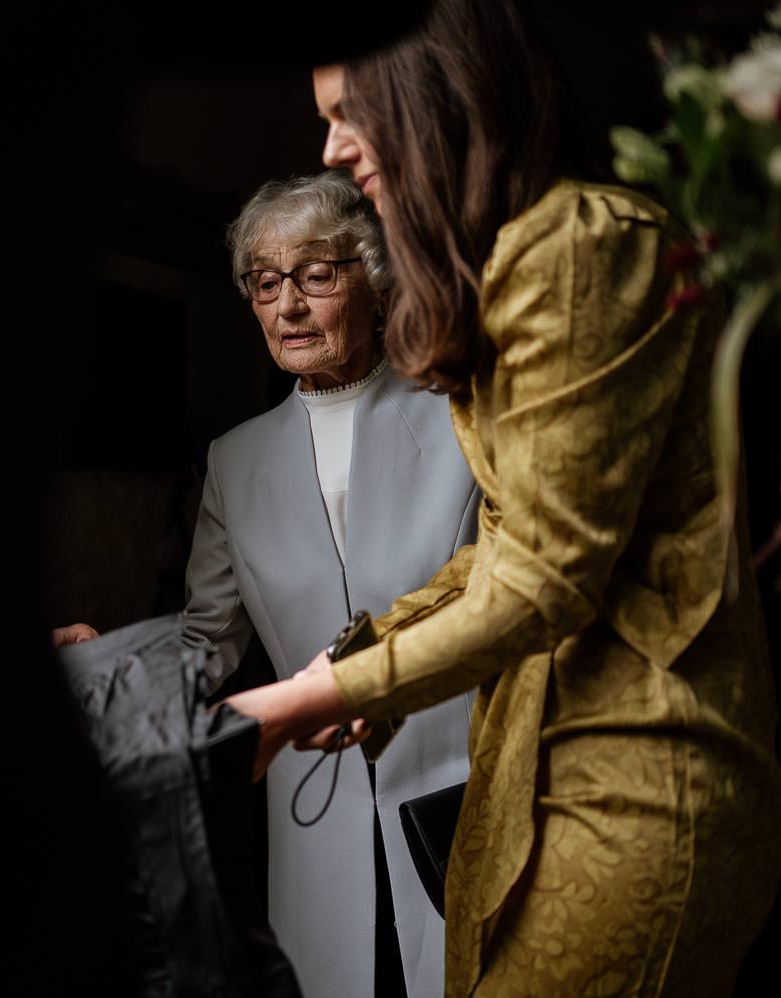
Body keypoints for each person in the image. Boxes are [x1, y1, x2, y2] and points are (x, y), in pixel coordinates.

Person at [227, 3, 781, 995]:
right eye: (265, 284)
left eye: (349, 111)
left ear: (430, 96)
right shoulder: (530, 257)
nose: (330, 146)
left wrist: (331, 688)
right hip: (548, 767)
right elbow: (510, 548)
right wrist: (354, 662)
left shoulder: (568, 244)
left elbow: (538, 575)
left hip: (630, 777)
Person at [60, 170, 481, 997]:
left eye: (316, 275)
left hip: (462, 793)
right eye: (264, 281)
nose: (287, 304)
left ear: (375, 277)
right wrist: (108, 666)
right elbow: (203, 647)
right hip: (313, 814)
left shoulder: (457, 414)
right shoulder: (236, 459)